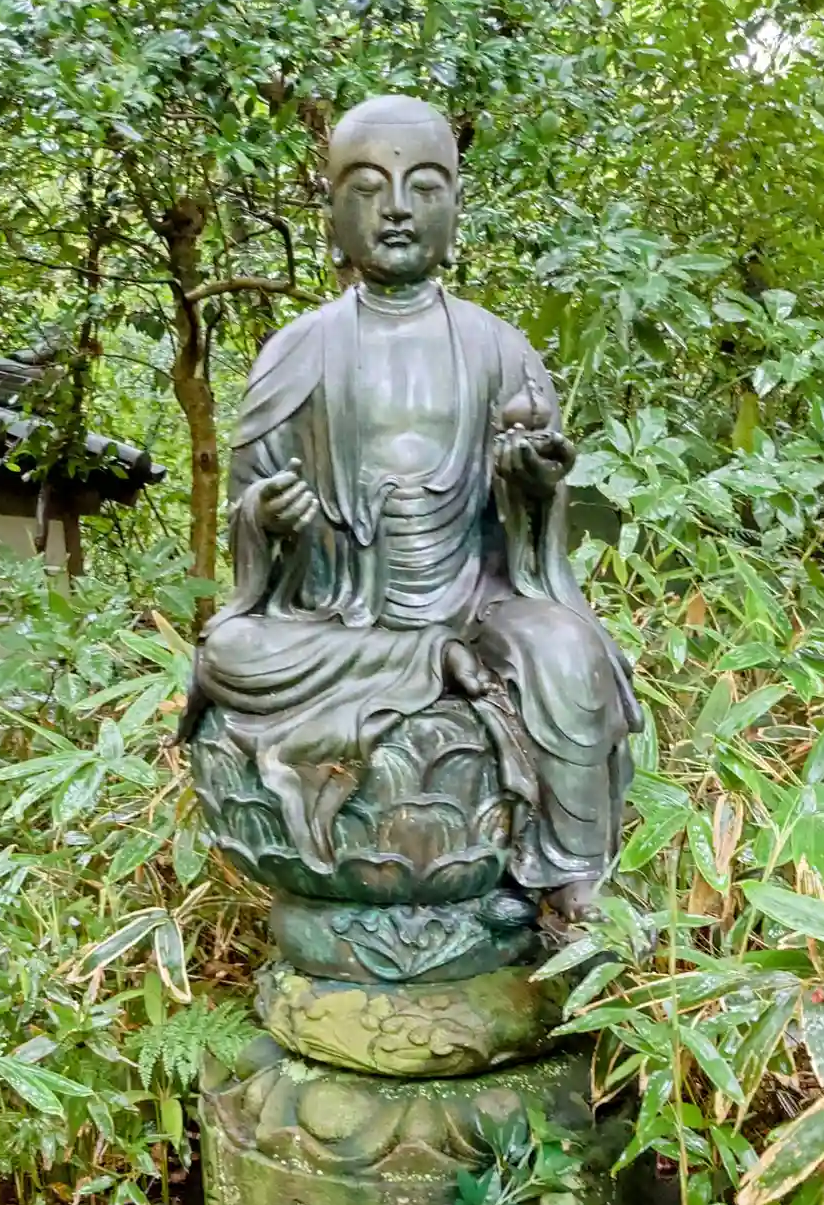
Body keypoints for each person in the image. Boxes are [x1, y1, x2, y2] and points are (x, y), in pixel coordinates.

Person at [182, 94, 640, 918]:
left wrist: (530, 484)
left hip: (476, 604)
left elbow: (531, 532)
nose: (395, 207)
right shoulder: (296, 351)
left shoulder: (500, 348)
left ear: (455, 207)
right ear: (332, 212)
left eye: (423, 186)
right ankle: (429, 661)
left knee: (570, 654)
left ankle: (572, 879)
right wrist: (268, 519)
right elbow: (251, 513)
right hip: (341, 618)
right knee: (229, 650)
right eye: (367, 187)